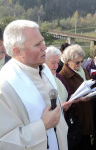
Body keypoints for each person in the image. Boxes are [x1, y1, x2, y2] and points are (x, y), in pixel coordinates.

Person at [0, 20, 68, 150]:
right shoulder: (4, 86)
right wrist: (43, 125)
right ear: (17, 51)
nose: (44, 48)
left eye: (43, 41)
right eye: (37, 44)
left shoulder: (45, 70)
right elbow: (5, 142)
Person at [59, 44, 93, 150]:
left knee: (86, 141)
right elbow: (65, 98)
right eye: (77, 62)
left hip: (87, 111)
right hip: (76, 116)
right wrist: (78, 99)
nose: (80, 64)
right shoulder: (63, 76)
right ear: (68, 61)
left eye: (82, 61)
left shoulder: (84, 70)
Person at [45, 46, 75, 111]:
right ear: (44, 62)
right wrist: (60, 107)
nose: (56, 66)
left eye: (57, 63)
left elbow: (68, 93)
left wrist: (75, 98)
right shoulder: (41, 79)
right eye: (53, 63)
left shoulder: (59, 76)